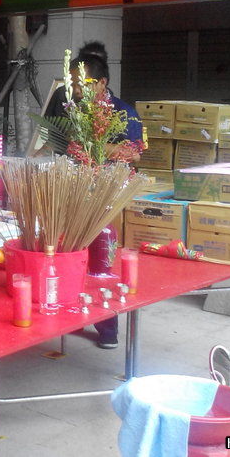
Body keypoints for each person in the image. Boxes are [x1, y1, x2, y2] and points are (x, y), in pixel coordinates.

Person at [65, 54, 142, 349]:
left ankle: (108, 328)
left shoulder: (125, 112)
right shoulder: (75, 110)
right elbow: (69, 145)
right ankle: (77, 315)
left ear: (101, 83)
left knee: (102, 262)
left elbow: (134, 154)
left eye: (81, 84)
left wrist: (92, 146)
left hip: (110, 198)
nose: (76, 90)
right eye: (73, 83)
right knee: (76, 257)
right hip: (80, 192)